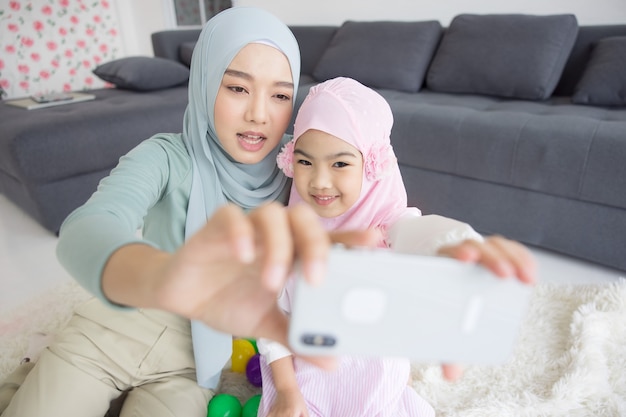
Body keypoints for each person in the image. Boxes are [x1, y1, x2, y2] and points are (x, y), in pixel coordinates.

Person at [1, 7, 535, 417]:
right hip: (114, 331)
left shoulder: (299, 179)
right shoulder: (166, 156)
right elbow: (86, 230)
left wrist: (451, 245)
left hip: (199, 368)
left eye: (280, 95)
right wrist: (164, 277)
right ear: (205, 80)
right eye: (236, 87)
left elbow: (389, 216)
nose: (259, 114)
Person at [256, 77, 535, 417]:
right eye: (305, 162)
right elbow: (272, 319)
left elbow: (421, 234)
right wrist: (287, 391)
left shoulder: (387, 227)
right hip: (306, 388)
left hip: (378, 391)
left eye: (340, 163)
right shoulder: (287, 235)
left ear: (372, 165)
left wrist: (461, 244)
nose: (319, 181)